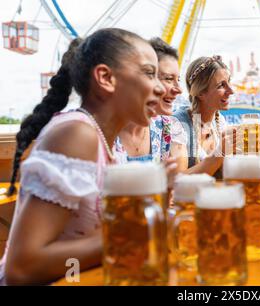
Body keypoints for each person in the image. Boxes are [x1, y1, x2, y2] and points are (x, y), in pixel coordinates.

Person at [0, 28, 165, 285]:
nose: (161, 87)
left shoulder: (111, 145)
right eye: (149, 73)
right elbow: (21, 268)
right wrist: (128, 236)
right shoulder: (77, 134)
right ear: (105, 77)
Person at [114, 37, 185, 182]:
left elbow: (176, 183)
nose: (179, 89)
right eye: (169, 79)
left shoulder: (169, 127)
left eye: (178, 79)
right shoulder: (99, 132)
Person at [173, 55, 235, 176]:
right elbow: (176, 180)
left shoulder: (219, 121)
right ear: (201, 93)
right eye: (221, 85)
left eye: (229, 82)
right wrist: (220, 154)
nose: (231, 91)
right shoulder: (178, 124)